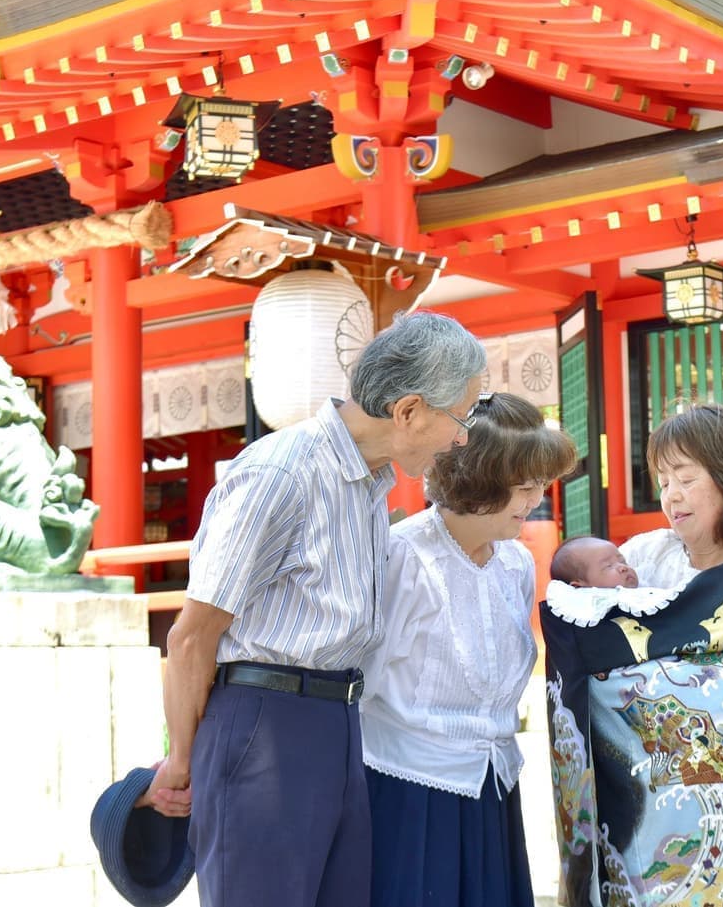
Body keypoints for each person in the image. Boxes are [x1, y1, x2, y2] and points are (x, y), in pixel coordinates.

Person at [139, 311, 486, 907]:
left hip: (338, 725)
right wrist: (181, 757)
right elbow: (192, 638)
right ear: (408, 411)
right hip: (263, 727)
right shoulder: (282, 473)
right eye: (462, 416)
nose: (463, 436)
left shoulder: (371, 487)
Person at [540, 404, 723, 907]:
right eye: (663, 480)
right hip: (652, 844)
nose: (671, 495)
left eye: (686, 478)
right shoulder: (643, 560)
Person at [359, 392, 576, 907]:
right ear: (480, 480)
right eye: (525, 487)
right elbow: (359, 686)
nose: (535, 500)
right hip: (410, 792)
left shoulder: (516, 564)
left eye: (539, 486)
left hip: (493, 787)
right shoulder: (404, 559)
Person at [549, 536, 640, 588]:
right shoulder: (590, 615)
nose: (623, 568)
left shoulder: (647, 592)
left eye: (623, 561)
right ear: (580, 586)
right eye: (608, 566)